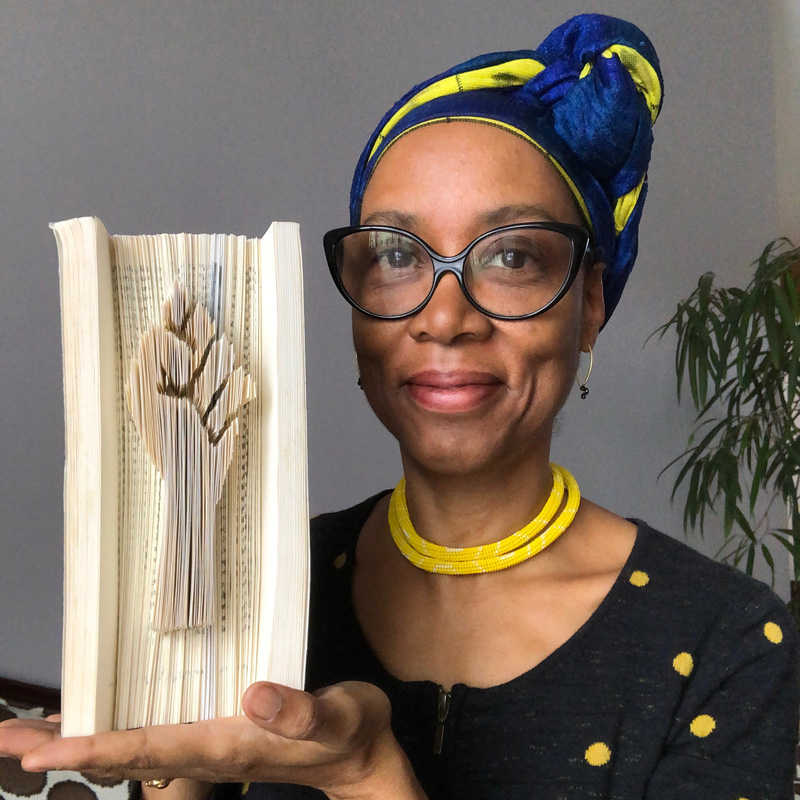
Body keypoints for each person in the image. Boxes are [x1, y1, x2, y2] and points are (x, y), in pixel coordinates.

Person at [1, 13, 797, 800]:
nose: (444, 316)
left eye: (512, 256)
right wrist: (175, 773)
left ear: (588, 302)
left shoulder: (730, 648)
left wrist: (365, 774)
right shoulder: (267, 581)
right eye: (394, 255)